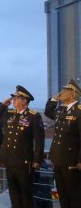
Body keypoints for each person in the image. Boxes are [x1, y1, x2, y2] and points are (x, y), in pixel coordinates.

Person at [0, 85, 45, 208]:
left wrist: (37, 160)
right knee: (13, 193)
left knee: (26, 194)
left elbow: (39, 140)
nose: (13, 100)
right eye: (13, 97)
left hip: (24, 162)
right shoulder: (9, 114)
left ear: (24, 100)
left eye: (16, 97)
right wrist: (2, 104)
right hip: (9, 160)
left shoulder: (33, 116)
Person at [44, 79, 81, 208]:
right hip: (58, 160)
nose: (61, 92)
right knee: (63, 195)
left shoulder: (79, 111)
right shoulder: (61, 109)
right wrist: (54, 99)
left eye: (65, 90)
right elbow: (48, 112)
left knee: (75, 196)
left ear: (72, 94)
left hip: (72, 161)